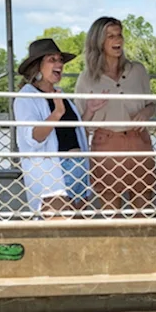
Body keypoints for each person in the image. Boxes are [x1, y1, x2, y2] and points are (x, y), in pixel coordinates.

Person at [74, 16, 155, 213]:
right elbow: (79, 125)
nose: (117, 40)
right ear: (98, 41)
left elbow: (152, 104)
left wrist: (145, 113)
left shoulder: (138, 70)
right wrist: (90, 109)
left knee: (143, 212)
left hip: (139, 142)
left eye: (119, 35)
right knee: (111, 213)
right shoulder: (86, 78)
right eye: (110, 36)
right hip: (106, 145)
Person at [14, 37, 91, 215]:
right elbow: (32, 137)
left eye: (60, 60)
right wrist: (56, 113)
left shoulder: (60, 94)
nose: (59, 64)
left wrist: (89, 112)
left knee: (79, 231)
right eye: (52, 60)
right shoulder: (26, 96)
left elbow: (72, 132)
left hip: (78, 169)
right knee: (58, 228)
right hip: (52, 173)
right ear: (37, 67)